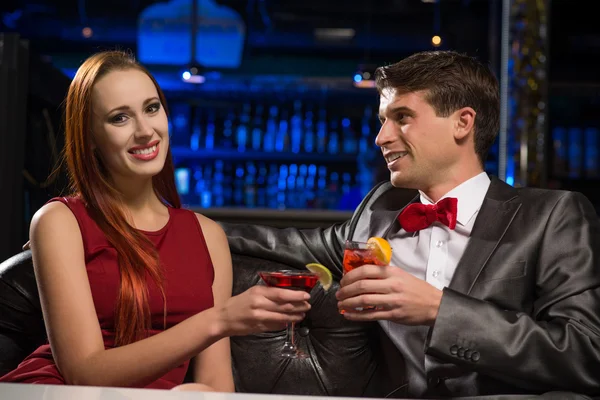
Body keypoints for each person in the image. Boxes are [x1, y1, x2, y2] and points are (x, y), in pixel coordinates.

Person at [222, 50, 600, 397]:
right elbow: (278, 244)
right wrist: (181, 228)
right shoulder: (378, 211)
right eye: (383, 121)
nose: (381, 137)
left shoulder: (552, 216)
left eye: (402, 118)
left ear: (462, 123)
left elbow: (585, 354)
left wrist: (439, 309)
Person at [0, 51, 311, 391]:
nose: (145, 131)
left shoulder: (207, 235)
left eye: (151, 108)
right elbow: (83, 374)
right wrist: (219, 320)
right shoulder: (59, 221)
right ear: (89, 138)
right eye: (120, 118)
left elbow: (216, 385)